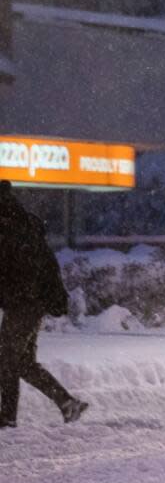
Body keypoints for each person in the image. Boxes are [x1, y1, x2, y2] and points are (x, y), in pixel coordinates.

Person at [0, 181, 89, 427]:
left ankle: (7, 418)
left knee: (6, 360)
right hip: (31, 301)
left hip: (22, 302)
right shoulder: (23, 223)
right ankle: (67, 403)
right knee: (22, 362)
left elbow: (10, 269)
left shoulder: (9, 228)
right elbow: (46, 263)